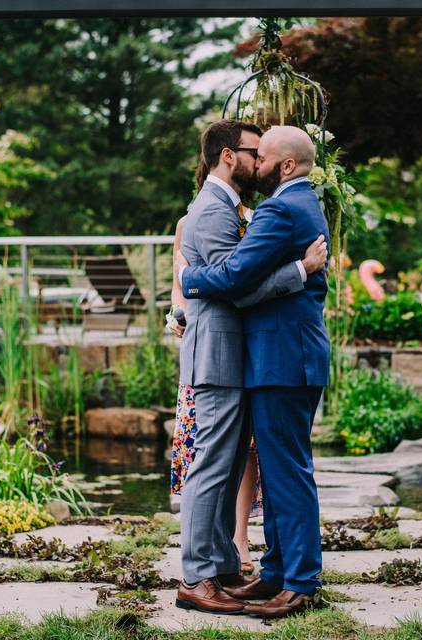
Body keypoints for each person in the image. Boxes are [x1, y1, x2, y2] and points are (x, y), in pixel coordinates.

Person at [172, 120, 328, 615]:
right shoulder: (219, 208)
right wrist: (298, 272)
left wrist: (190, 279)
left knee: (268, 471)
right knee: (218, 466)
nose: (256, 162)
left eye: (264, 155)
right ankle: (205, 573)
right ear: (227, 156)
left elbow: (233, 277)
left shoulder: (275, 207)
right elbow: (234, 282)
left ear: (284, 165)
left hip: (271, 357)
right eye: (251, 152)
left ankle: (274, 574)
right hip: (226, 354)